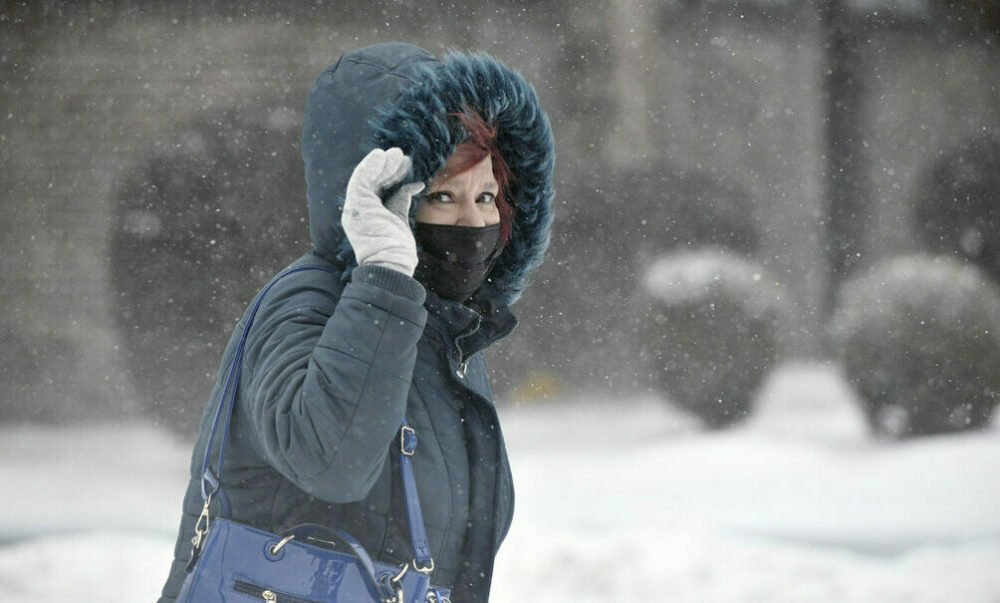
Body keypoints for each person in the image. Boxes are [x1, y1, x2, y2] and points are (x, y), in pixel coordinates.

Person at [158, 42, 554, 602]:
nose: (474, 221)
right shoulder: (310, 301)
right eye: (442, 195)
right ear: (376, 195)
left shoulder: (442, 329)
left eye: (487, 196)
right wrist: (386, 275)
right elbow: (331, 463)